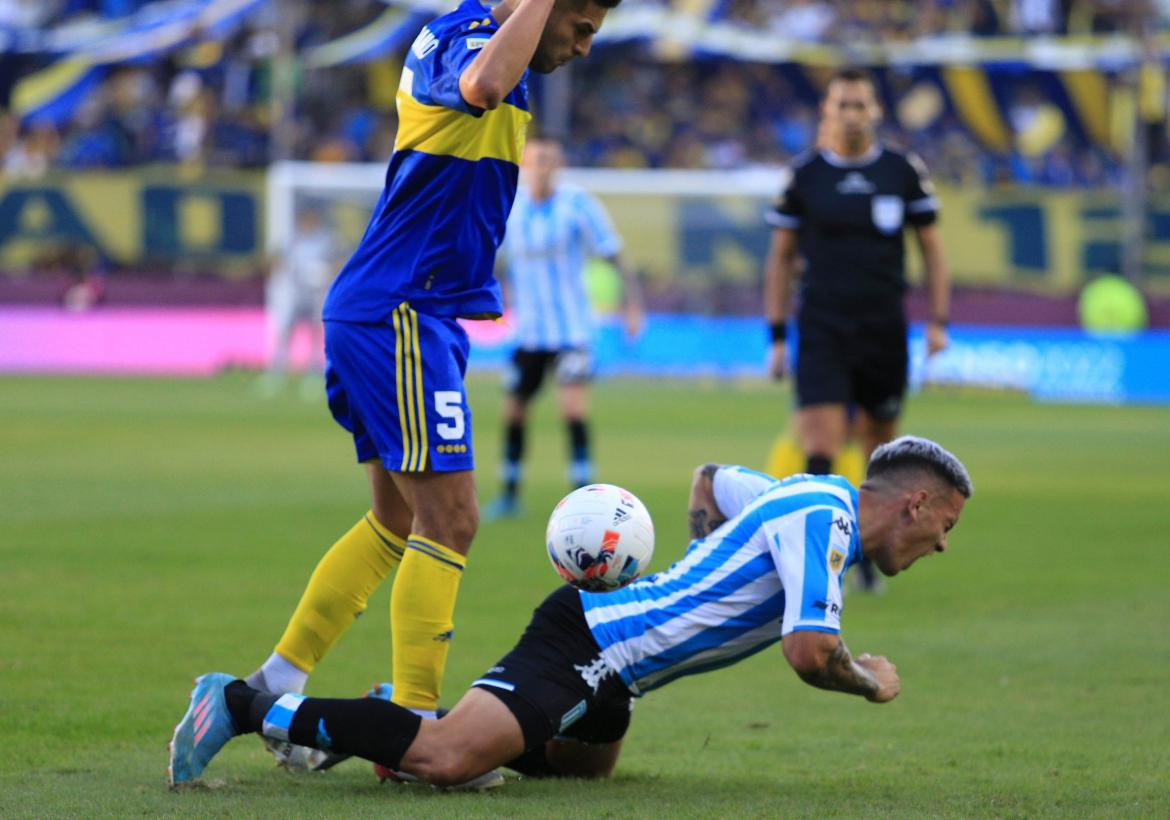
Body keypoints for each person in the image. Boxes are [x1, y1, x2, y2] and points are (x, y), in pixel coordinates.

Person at [230, 0, 623, 782]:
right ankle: (414, 729)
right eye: (581, 26)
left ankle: (273, 682)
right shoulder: (470, 39)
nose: (583, 46)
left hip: (406, 308)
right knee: (452, 517)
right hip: (400, 308)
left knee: (397, 518)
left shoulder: (493, 53)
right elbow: (479, 82)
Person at [169, 435, 972, 788]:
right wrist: (865, 679)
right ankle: (243, 706)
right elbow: (808, 652)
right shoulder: (823, 520)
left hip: (622, 676)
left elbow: (706, 480)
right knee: (450, 762)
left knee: (584, 771)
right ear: (917, 504)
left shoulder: (806, 498)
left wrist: (697, 563)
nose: (943, 547)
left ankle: (400, 720)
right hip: (593, 640)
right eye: (948, 526)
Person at [764, 67, 951, 592]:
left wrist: (938, 322)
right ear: (826, 111)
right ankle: (823, 563)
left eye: (860, 105)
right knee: (820, 446)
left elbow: (933, 251)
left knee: (880, 450)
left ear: (876, 112)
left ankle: (867, 554)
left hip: (883, 329)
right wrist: (777, 336)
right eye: (841, 105)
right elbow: (780, 260)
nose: (851, 114)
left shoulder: (902, 172)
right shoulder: (804, 177)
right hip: (822, 326)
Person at [484, 135, 644, 519]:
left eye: (551, 160)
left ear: (559, 165)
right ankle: (509, 493)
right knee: (514, 410)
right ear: (524, 162)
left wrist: (633, 305)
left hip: (572, 330)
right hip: (530, 332)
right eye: (537, 159)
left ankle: (582, 498)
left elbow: (613, 254)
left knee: (572, 409)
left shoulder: (578, 205)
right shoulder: (510, 207)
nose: (544, 167)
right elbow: (494, 260)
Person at [257, 206, 340, 398]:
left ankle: (314, 376)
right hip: (294, 292)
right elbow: (275, 260)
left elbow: (337, 263)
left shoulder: (326, 241)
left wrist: (325, 272)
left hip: (316, 293)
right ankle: (276, 374)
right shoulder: (292, 241)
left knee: (315, 335)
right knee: (285, 333)